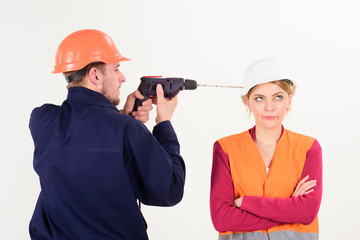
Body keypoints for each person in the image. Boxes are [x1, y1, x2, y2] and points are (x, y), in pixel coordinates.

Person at [29, 29, 186, 240]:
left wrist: (120, 117)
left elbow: (87, 141)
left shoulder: (42, 121)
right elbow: (170, 189)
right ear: (94, 75)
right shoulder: (126, 130)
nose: (122, 78)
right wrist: (164, 122)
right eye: (116, 69)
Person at [210, 58, 322, 240]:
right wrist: (290, 210)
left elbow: (307, 213)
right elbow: (222, 219)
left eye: (278, 97)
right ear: (248, 102)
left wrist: (246, 202)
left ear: (289, 100)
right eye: (259, 98)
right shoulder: (225, 149)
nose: (269, 107)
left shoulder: (308, 148)